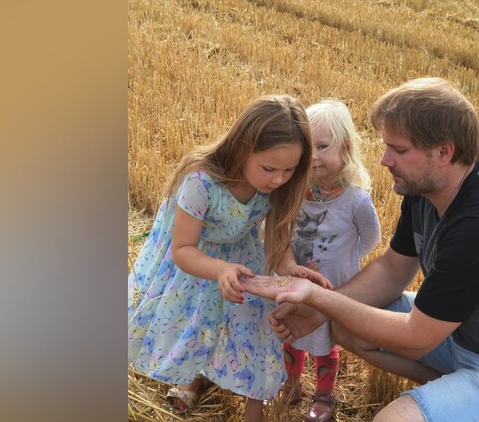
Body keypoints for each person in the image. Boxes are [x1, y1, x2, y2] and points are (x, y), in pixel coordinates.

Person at [241, 78, 479, 422]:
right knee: (344, 324)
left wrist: (317, 299)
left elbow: (416, 338)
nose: (384, 160)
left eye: (398, 150)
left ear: (444, 152)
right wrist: (324, 312)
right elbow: (393, 269)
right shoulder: (426, 189)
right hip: (471, 334)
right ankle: (458, 394)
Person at [127, 95, 332, 422]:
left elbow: (277, 237)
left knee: (255, 331)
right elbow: (182, 250)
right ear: (241, 148)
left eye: (290, 170)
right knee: (199, 327)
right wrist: (220, 270)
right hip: (196, 263)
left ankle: (255, 407)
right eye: (269, 168)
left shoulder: (275, 186)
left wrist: (292, 269)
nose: (279, 179)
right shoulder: (200, 182)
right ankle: (191, 381)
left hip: (241, 261)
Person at [280, 100, 381, 422]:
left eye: (323, 146)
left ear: (347, 148)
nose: (313, 156)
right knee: (291, 333)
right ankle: (291, 385)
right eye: (308, 146)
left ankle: (323, 395)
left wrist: (343, 260)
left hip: (332, 286)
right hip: (292, 280)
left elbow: (371, 239)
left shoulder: (356, 200)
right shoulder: (295, 190)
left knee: (324, 343)